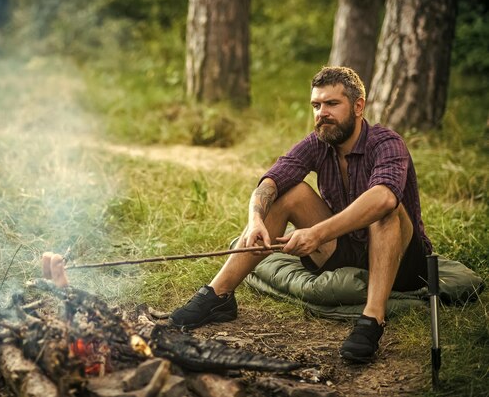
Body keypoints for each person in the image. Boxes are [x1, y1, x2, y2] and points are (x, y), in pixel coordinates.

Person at [169, 66, 432, 362]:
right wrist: (254, 220)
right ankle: (219, 295)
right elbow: (271, 180)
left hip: (404, 263)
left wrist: (316, 234)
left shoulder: (386, 142)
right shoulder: (318, 141)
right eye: (316, 105)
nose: (322, 113)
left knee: (387, 209)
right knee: (290, 192)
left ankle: (373, 319)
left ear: (358, 106)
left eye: (332, 104)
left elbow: (383, 198)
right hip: (347, 249)